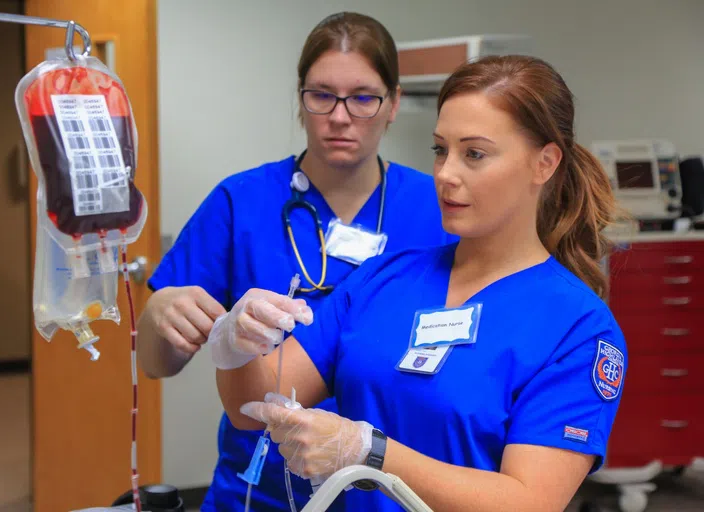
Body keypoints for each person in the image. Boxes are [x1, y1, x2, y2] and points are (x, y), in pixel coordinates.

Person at [208, 54, 627, 511]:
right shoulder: (383, 280)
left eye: (474, 154)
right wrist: (235, 344)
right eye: (440, 150)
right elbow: (251, 408)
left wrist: (371, 454)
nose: (446, 173)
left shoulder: (578, 331)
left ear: (544, 163)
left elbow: (529, 502)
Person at [137, 12, 456, 511]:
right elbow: (157, 366)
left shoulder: (436, 208)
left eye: (364, 97)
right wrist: (158, 318)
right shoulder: (240, 202)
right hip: (259, 490)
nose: (340, 115)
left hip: (393, 489)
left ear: (394, 103)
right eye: (321, 94)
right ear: (301, 98)